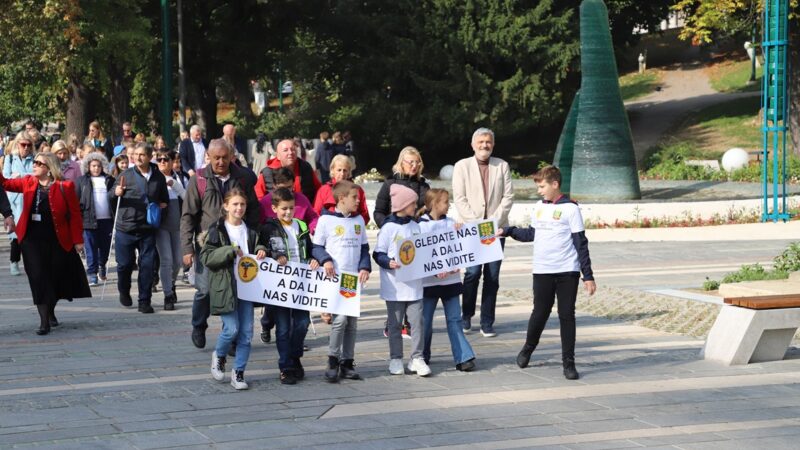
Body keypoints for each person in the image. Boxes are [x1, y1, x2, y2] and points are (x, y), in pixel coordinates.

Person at [500, 165, 596, 380]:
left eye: (542, 186)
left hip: (567, 271)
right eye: (538, 187)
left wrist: (587, 275)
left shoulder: (571, 209)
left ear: (555, 184)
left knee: (566, 315)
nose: (539, 191)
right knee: (540, 312)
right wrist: (508, 231)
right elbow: (531, 233)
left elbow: (581, 243)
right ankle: (528, 348)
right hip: (542, 270)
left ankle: (568, 363)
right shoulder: (538, 207)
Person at [181, 138, 261, 349]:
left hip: (238, 244)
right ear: (208, 156)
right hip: (209, 244)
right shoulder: (198, 179)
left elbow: (253, 211)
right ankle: (199, 325)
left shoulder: (243, 178)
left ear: (231, 156)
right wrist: (187, 248)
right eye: (216, 158)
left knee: (236, 289)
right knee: (205, 290)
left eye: (225, 157)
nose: (220, 161)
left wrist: (256, 242)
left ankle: (233, 337)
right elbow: (188, 215)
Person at [0, 152, 91, 335]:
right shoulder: (28, 181)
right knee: (38, 277)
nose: (34, 165)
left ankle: (50, 311)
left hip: (57, 240)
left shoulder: (65, 186)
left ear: (49, 168)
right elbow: (5, 183)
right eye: (34, 162)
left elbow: (74, 216)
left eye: (38, 163)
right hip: (31, 240)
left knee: (55, 278)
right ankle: (44, 322)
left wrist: (78, 240)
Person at [203, 188, 267, 390]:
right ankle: (219, 355)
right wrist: (229, 251)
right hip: (226, 287)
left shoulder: (251, 230)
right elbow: (207, 257)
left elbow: (260, 246)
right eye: (235, 204)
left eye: (242, 204)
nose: (239, 208)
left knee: (247, 333)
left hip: (248, 287)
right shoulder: (217, 230)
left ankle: (238, 372)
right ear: (226, 206)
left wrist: (261, 249)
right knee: (231, 329)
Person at [452, 127, 513, 337]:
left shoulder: (502, 166)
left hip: (496, 231)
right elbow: (459, 198)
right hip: (471, 229)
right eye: (481, 142)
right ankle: (466, 316)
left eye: (488, 142)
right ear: (473, 144)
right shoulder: (462, 166)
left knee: (492, 276)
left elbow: (508, 197)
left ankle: (487, 321)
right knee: (472, 274)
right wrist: (477, 223)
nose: (484, 145)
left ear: (493, 144)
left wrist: (492, 223)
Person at [311, 180, 371, 382]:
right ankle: (333, 359)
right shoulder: (326, 220)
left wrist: (364, 266)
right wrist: (325, 260)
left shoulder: (359, 221)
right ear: (341, 198)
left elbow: (364, 247)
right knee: (340, 321)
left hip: (352, 278)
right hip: (334, 277)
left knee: (352, 323)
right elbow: (317, 247)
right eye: (355, 197)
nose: (359, 201)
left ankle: (347, 362)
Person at [261, 188, 318, 384]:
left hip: (301, 284)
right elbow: (262, 249)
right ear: (274, 208)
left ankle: (295, 357)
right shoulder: (269, 227)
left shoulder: (301, 226)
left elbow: (310, 249)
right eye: (284, 208)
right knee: (283, 328)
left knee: (302, 323)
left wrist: (313, 259)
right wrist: (273, 256)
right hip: (280, 286)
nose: (288, 212)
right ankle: (285, 366)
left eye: (291, 208)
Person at [373, 184, 430, 377]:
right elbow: (378, 253)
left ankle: (417, 358)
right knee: (395, 324)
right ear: (403, 205)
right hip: (394, 286)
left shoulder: (416, 227)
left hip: (414, 286)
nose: (416, 206)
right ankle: (396, 358)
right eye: (413, 203)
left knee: (417, 323)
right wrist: (388, 263)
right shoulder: (388, 228)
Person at [417, 189, 477, 372]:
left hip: (450, 281)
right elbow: (421, 255)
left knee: (454, 319)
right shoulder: (420, 226)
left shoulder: (452, 224)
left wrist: (460, 234)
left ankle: (463, 356)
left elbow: (460, 248)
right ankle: (422, 355)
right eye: (445, 201)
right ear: (434, 204)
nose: (449, 204)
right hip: (428, 282)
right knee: (425, 321)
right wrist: (435, 271)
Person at [111, 142, 170, 313]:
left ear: (150, 157)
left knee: (147, 265)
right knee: (124, 264)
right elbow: (110, 197)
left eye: (142, 154)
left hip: (147, 229)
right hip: (126, 227)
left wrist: (160, 215)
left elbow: (164, 200)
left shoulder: (158, 177)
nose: (137, 157)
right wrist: (116, 193)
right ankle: (124, 289)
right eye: (135, 154)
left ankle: (144, 301)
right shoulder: (126, 175)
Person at [155, 149, 186, 310]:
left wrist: (174, 185)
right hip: (160, 226)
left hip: (176, 224)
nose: (162, 162)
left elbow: (187, 197)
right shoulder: (154, 179)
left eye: (165, 159)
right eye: (159, 159)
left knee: (177, 261)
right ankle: (168, 294)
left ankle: (172, 283)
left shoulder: (177, 178)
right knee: (166, 260)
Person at [77, 152, 115, 286]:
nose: (96, 168)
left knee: (105, 247)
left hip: (106, 220)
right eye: (93, 166)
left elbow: (114, 198)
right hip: (88, 220)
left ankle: (102, 266)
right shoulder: (82, 181)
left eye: (98, 166)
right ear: (88, 166)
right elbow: (77, 200)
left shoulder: (109, 180)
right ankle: (92, 273)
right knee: (90, 247)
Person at [3, 131, 36, 276]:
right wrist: (20, 179)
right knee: (15, 235)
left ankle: (31, 263)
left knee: (30, 234)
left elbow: (36, 177)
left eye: (29, 145)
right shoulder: (10, 159)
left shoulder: (36, 159)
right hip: (15, 200)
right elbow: (5, 178)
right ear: (18, 144)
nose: (26, 148)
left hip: (30, 199)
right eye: (24, 145)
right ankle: (14, 262)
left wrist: (21, 176)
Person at [372, 146, 429, 227]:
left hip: (417, 232)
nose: (415, 165)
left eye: (417, 162)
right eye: (411, 162)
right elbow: (379, 212)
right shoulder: (390, 183)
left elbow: (429, 212)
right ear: (402, 163)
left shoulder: (424, 186)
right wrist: (387, 227)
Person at [254, 139, 320, 202]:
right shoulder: (267, 173)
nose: (290, 152)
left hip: (304, 211)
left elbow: (319, 190)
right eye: (285, 150)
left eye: (293, 149)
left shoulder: (305, 167)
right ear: (278, 156)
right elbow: (259, 197)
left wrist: (313, 209)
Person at [312, 154, 369, 225]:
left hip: (351, 229)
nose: (342, 173)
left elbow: (365, 214)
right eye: (339, 170)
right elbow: (315, 213)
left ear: (349, 172)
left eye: (345, 170)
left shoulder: (357, 190)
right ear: (332, 170)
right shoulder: (324, 190)